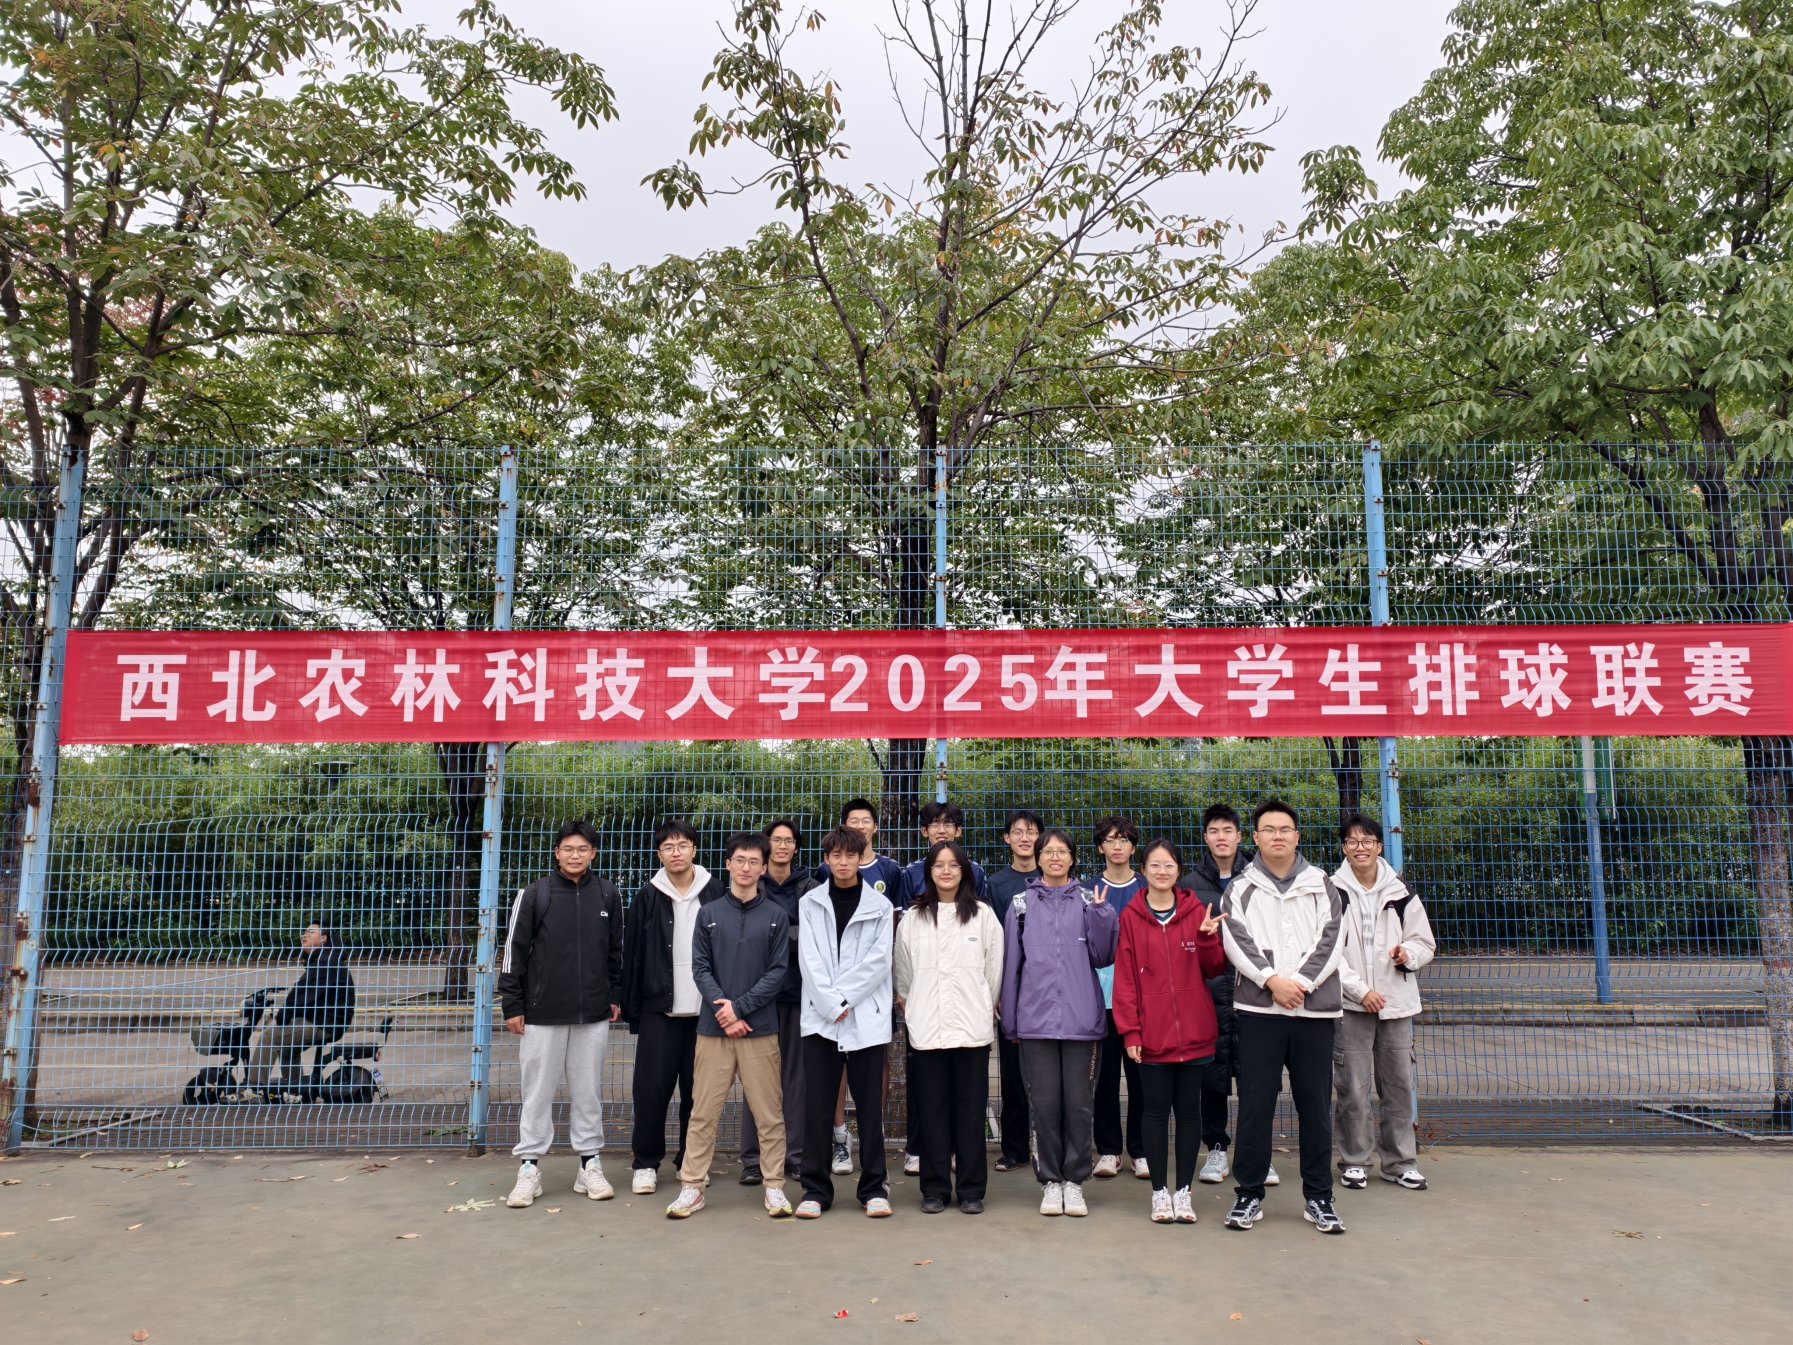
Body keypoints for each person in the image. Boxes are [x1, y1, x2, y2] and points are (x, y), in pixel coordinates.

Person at [1220, 800, 1348, 1235]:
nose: (1278, 836)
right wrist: (1272, 981)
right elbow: (1236, 940)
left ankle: (1319, 1198)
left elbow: (1332, 939)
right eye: (1269, 829)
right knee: (1255, 1106)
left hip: (1314, 1012)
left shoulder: (1322, 884)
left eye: (1285, 829)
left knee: (1315, 1107)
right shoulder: (1241, 888)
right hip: (1260, 1012)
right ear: (1255, 838)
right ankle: (1248, 1195)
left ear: (1297, 836)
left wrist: (1302, 984)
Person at [665, 833, 795, 1219]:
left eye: (754, 862)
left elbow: (777, 973)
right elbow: (700, 967)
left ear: (763, 868)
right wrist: (724, 1011)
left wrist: (740, 1008)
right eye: (740, 860)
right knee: (703, 1112)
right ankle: (692, 1186)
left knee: (769, 1113)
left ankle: (774, 1187)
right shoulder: (708, 913)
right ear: (728, 864)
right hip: (713, 1029)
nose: (746, 868)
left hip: (760, 1029)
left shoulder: (776, 916)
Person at [499, 821, 625, 1209]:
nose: (575, 855)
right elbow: (513, 952)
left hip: (593, 1014)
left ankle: (589, 1165)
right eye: (568, 849)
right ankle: (529, 1168)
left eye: (583, 849)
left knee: (588, 1092)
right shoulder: (534, 894)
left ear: (593, 854)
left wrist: (614, 995)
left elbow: (616, 952)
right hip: (541, 1014)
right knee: (537, 1092)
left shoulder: (608, 894)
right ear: (556, 853)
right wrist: (512, 1004)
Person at [999, 827, 1118, 1218]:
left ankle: (1075, 1182)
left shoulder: (1088, 901)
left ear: (1072, 858)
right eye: (1047, 851)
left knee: (1079, 1106)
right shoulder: (1020, 905)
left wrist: (1102, 916)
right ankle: (1050, 1181)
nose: (1055, 857)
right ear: (1038, 858)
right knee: (1044, 1106)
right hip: (1035, 1022)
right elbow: (1011, 967)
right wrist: (1012, 1021)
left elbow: (1103, 956)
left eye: (1062, 851)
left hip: (1083, 1021)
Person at [1111, 839, 1230, 1224]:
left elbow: (1214, 968)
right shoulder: (1130, 917)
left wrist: (1208, 938)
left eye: (1169, 865)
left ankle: (1183, 1192)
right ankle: (1160, 1192)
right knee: (1155, 1111)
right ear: (1143, 870)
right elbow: (1124, 980)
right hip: (1153, 1035)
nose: (1162, 872)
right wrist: (1130, 1032)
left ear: (1179, 870)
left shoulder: (1196, 911)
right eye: (1155, 865)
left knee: (1190, 1113)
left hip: (1195, 1032)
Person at [894, 840, 1004, 1214]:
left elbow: (994, 972)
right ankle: (935, 1188)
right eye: (938, 865)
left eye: (953, 865)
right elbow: (903, 975)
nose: (945, 871)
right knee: (932, 1111)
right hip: (927, 1028)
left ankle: (972, 1190)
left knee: (971, 1111)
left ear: (964, 871)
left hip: (971, 1027)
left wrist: (982, 1004)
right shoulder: (913, 919)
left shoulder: (983, 916)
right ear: (929, 872)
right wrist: (915, 1005)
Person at [795, 827, 896, 1218]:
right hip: (821, 1020)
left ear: (860, 859)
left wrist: (843, 999)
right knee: (818, 1107)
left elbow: (879, 961)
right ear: (826, 859)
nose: (842, 862)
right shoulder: (810, 903)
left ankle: (874, 1188)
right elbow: (809, 959)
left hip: (864, 1018)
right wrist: (829, 1002)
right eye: (835, 855)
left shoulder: (880, 906)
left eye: (849, 855)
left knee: (870, 1109)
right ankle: (815, 1190)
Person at [1332, 813, 1436, 1192]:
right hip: (1351, 1006)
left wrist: (1407, 954)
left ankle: (1400, 1162)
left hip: (1396, 1004)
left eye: (1367, 841)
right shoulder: (1331, 892)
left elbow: (1424, 942)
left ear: (1379, 846)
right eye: (1352, 841)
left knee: (1398, 1087)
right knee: (1352, 1088)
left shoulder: (1402, 892)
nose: (1360, 847)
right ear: (1343, 848)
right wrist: (1361, 991)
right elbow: (1327, 952)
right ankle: (1355, 1161)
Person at [621, 819, 724, 1196]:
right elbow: (632, 954)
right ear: (659, 854)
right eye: (668, 847)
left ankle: (690, 1162)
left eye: (682, 845)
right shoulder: (647, 896)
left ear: (694, 849)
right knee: (651, 1091)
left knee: (698, 1094)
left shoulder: (715, 891)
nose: (676, 852)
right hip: (658, 1010)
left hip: (705, 1012)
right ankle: (646, 1163)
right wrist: (633, 1008)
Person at [1186, 804, 1277, 1188]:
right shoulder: (1189, 884)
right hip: (1208, 993)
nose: (1221, 837)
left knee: (1258, 1078)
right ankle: (1216, 1148)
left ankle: (1257, 1155)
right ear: (1205, 837)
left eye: (1228, 830)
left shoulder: (1261, 878)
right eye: (1213, 831)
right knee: (1211, 1076)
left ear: (1241, 836)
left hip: (1253, 989)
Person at [816, 798, 904, 1176]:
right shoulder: (822, 875)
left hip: (874, 988)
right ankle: (840, 1137)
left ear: (875, 827)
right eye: (853, 820)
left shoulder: (890, 871)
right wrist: (832, 992)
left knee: (874, 1058)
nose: (860, 826)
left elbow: (893, 931)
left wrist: (883, 980)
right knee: (836, 1061)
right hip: (831, 992)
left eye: (866, 820)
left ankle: (872, 1134)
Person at [737, 818, 809, 1187]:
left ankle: (794, 1156)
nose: (782, 846)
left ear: (796, 847)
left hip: (799, 996)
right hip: (757, 997)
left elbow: (813, 937)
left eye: (788, 840)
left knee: (795, 1079)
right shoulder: (752, 885)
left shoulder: (811, 887)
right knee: (757, 1079)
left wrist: (779, 935)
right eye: (775, 840)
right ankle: (753, 1159)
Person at [1090, 814, 1147, 1180]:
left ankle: (1141, 1151)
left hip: (1142, 1002)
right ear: (1101, 848)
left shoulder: (1148, 887)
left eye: (1123, 839)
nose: (1117, 846)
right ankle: (1109, 1150)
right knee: (1105, 1080)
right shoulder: (1088, 890)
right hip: (1100, 1001)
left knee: (1143, 1080)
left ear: (1132, 847)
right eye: (1110, 840)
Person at [986, 808, 1043, 1172]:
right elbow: (992, 942)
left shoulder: (1053, 878)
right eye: (1018, 832)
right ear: (1007, 838)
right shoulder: (996, 884)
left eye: (1032, 831)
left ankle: (1053, 1147)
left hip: (1047, 989)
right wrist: (997, 992)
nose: (1025, 838)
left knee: (1049, 1073)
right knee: (1011, 1074)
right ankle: (1015, 1149)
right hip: (1011, 988)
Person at [244, 921, 355, 1099]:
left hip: (323, 1023)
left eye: (311, 932)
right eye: (304, 932)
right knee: (287, 1048)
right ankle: (294, 1093)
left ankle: (253, 1091)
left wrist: (283, 1016)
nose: (304, 935)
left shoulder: (327, 962)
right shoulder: (325, 960)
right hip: (324, 1021)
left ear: (323, 938)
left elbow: (301, 995)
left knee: (269, 1037)